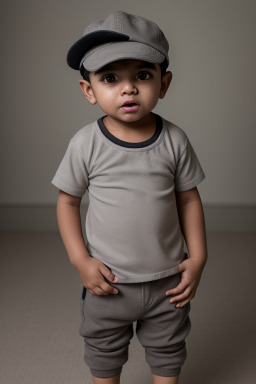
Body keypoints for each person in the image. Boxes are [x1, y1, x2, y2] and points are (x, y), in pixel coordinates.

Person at [51, 11, 208, 384]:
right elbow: (67, 202)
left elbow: (188, 199)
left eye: (142, 75)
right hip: (108, 282)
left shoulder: (175, 140)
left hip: (167, 281)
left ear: (163, 83)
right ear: (89, 90)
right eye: (110, 78)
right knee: (103, 354)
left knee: (168, 352)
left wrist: (198, 256)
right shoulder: (86, 144)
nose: (128, 88)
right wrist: (80, 260)